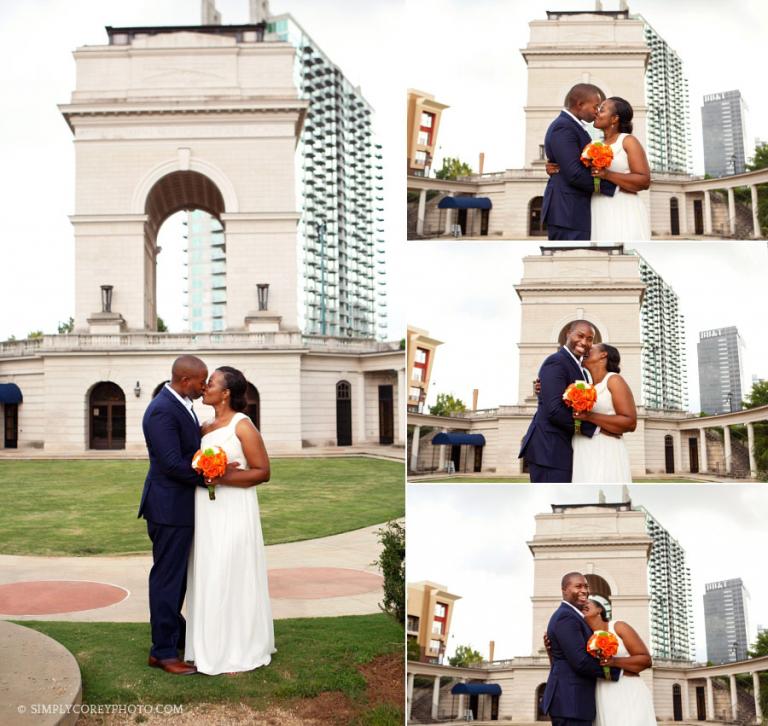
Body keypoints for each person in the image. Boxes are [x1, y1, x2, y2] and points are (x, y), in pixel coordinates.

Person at [184, 366, 274, 675]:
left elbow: (263, 472)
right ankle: (209, 645)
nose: (205, 386)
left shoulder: (243, 426)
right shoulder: (205, 426)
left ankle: (238, 649)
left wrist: (224, 475)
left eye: (211, 383)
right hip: (207, 510)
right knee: (210, 571)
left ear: (226, 393)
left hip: (235, 508)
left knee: (231, 571)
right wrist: (206, 472)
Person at [138, 355, 208, 675]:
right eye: (200, 381)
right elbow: (171, 464)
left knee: (176, 580)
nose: (204, 386)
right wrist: (211, 475)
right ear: (185, 381)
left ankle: (173, 636)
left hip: (180, 508)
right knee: (167, 580)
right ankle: (163, 652)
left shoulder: (180, 404)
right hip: (168, 509)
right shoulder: (162, 410)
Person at [547, 97, 651, 240]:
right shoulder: (593, 144)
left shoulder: (628, 141)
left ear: (614, 119)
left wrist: (608, 175)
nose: (596, 113)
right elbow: (577, 170)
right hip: (597, 208)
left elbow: (644, 180)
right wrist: (557, 167)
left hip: (623, 207)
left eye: (601, 110)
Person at [519, 320, 598, 483]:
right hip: (550, 450)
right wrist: (593, 428)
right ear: (568, 334)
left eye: (589, 339)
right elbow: (554, 410)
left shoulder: (580, 369)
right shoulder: (556, 361)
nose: (584, 342)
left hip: (561, 449)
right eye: (580, 335)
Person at [542, 573, 621, 725]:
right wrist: (615, 671)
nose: (584, 590)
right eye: (578, 586)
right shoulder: (566, 617)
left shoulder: (574, 616)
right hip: (571, 703)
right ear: (564, 590)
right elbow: (580, 662)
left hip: (574, 703)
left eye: (586, 586)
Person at [541, 83, 617, 241]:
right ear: (580, 104)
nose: (596, 112)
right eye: (595, 106)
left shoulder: (572, 126)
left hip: (572, 211)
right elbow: (574, 173)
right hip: (567, 212)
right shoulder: (563, 127)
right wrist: (613, 187)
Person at [581, 598, 657, 726]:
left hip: (629, 691)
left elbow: (646, 660)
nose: (583, 605)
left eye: (587, 603)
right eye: (580, 606)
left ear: (599, 609)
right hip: (602, 693)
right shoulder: (584, 638)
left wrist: (614, 661)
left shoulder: (618, 627)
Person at [571, 343, 637, 483]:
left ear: (603, 355)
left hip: (605, 450)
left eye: (592, 347)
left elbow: (630, 422)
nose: (586, 349)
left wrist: (589, 416)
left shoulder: (614, 380)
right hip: (582, 450)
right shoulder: (585, 385)